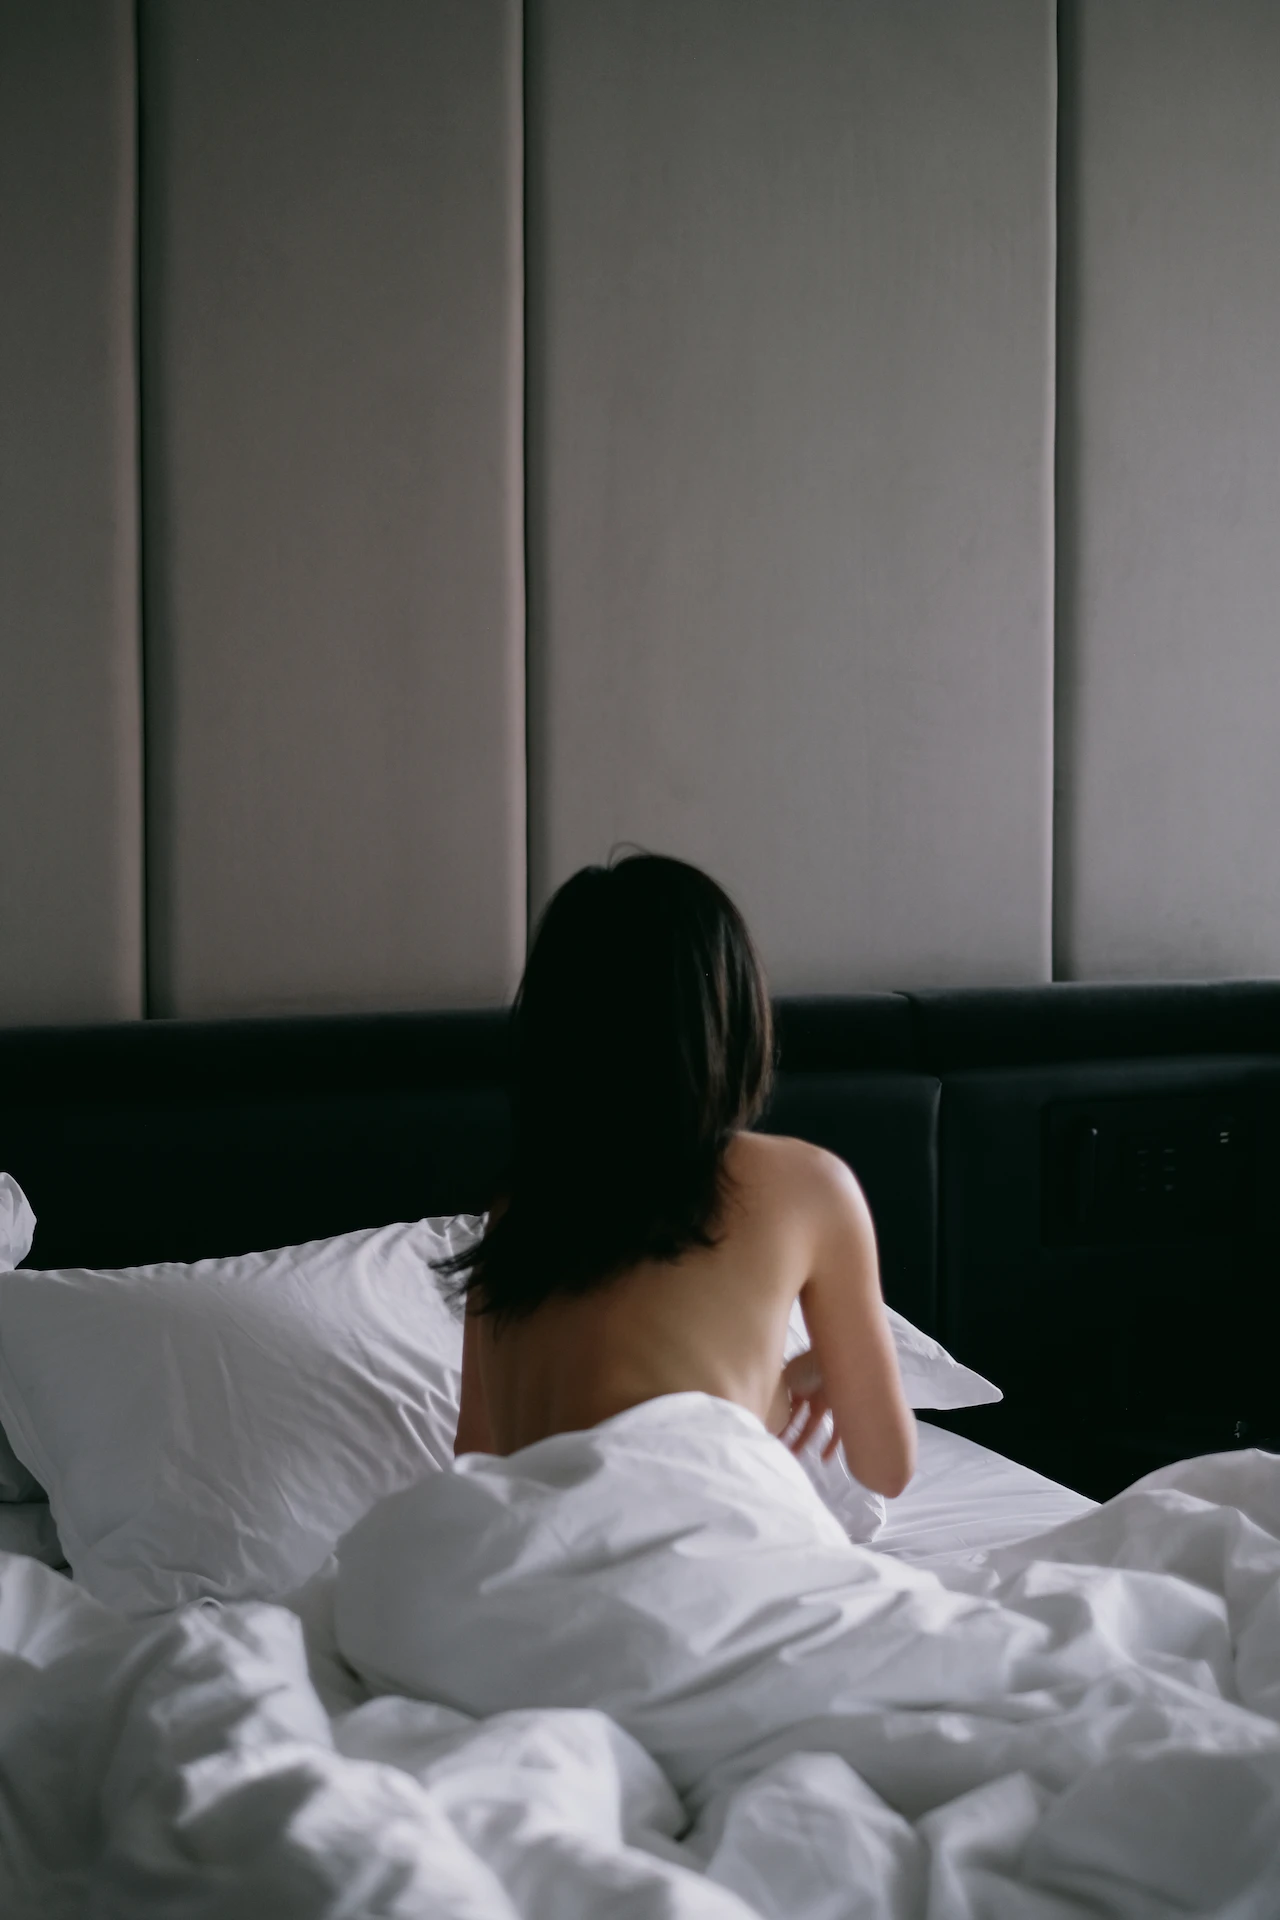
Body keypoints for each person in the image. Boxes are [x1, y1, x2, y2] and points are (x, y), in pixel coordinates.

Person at [436, 850, 916, 1499]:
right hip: (689, 1563)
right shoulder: (809, 1186)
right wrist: (828, 1367)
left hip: (524, 1569)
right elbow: (885, 1468)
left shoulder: (518, 1210)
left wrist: (780, 1384)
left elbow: (480, 1461)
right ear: (732, 1015)